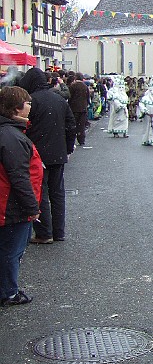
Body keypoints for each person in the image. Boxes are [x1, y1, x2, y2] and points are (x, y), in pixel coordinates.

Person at [17, 67, 76, 244]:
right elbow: (71, 125)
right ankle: (59, 231)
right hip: (58, 153)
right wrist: (67, 147)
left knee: (40, 193)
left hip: (37, 154)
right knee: (57, 193)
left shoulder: (31, 102)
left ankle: (44, 232)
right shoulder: (59, 99)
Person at [0, 86, 44, 306]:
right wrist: (31, 207)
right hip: (11, 205)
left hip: (9, 203)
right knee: (12, 250)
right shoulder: (11, 136)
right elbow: (19, 176)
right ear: (16, 109)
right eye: (27, 103)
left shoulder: (11, 133)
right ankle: (8, 291)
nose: (30, 106)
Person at [68, 73, 90, 148]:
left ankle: (72, 140)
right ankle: (81, 140)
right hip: (83, 108)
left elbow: (69, 97)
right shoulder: (85, 86)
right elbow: (87, 97)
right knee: (81, 125)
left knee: (73, 125)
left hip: (74, 108)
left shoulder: (72, 86)